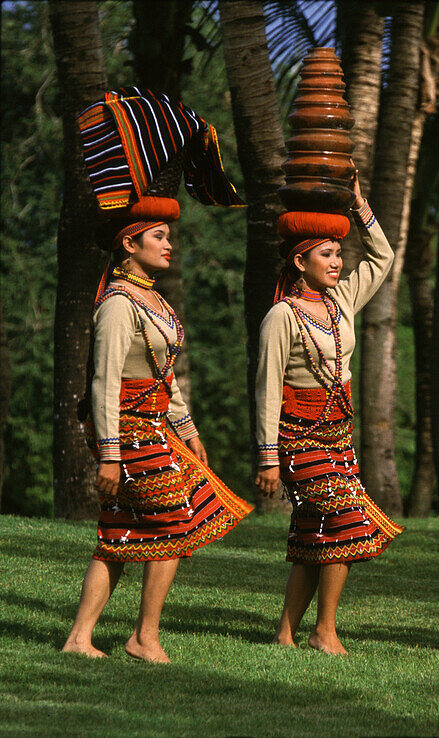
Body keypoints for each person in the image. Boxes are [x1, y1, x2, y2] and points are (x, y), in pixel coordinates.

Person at [62, 197, 253, 663]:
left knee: (121, 531)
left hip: (154, 426)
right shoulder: (117, 305)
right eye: (159, 236)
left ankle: (79, 638)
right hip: (125, 431)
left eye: (168, 235)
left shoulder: (153, 298)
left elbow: (164, 372)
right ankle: (144, 637)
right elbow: (104, 382)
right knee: (172, 519)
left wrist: (187, 429)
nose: (169, 244)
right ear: (130, 243)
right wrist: (109, 453)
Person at [254, 173, 402, 655]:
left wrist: (360, 206)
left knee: (314, 533)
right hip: (298, 438)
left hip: (339, 437)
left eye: (339, 254)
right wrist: (267, 457)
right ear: (301, 260)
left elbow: (383, 257)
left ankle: (285, 633)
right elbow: (266, 387)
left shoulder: (340, 302)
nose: (338, 262)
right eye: (327, 254)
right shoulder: (281, 315)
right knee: (345, 523)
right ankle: (325, 630)